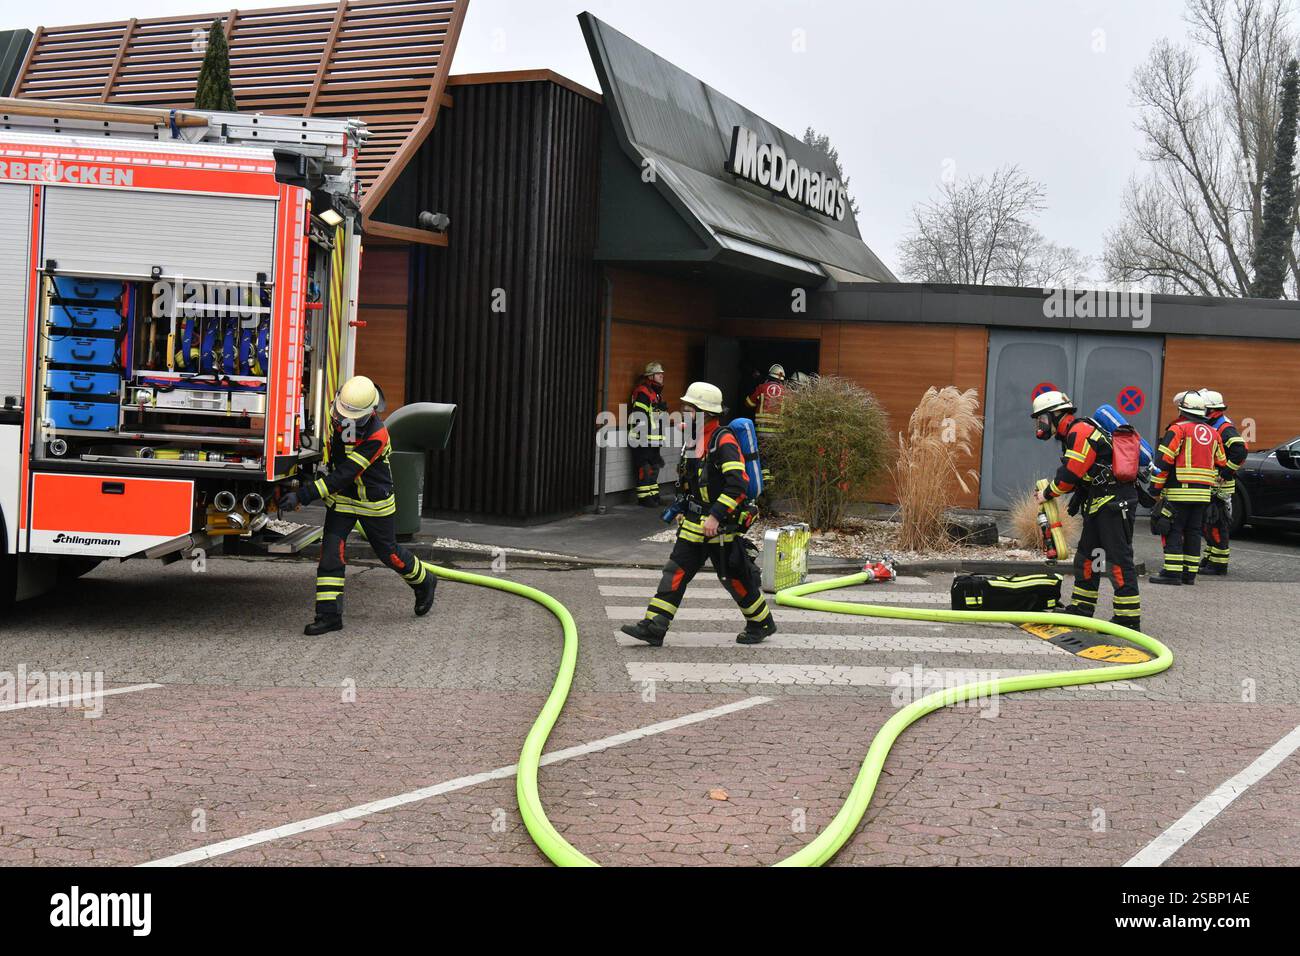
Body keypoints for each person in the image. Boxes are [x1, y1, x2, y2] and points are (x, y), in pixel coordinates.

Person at [621, 381, 776, 646]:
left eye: (689, 409)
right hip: (695, 524)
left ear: (705, 413)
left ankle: (761, 622)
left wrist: (715, 516)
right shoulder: (696, 439)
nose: (684, 413)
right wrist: (683, 508)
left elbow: (737, 484)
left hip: (720, 527)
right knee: (675, 571)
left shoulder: (723, 440)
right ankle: (655, 626)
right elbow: (692, 480)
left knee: (734, 577)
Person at [279, 375, 437, 634]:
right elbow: (335, 459)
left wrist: (304, 495)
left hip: (373, 503)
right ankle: (329, 616)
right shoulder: (339, 412)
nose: (342, 419)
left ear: (370, 410)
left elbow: (347, 472)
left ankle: (425, 581)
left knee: (390, 554)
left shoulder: (377, 435)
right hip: (342, 500)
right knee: (331, 554)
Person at [1031, 389, 1141, 631]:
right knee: (1086, 558)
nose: (1041, 425)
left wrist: (1047, 493)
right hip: (1100, 503)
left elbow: (1071, 473)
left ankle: (1128, 617)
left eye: (1042, 418)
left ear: (1056, 415)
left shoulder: (1080, 431)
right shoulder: (1071, 434)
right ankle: (1082, 608)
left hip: (1114, 502)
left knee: (1118, 560)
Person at [1149, 390, 1228, 586]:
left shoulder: (1177, 430)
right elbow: (1222, 462)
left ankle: (1172, 573)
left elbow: (1163, 462)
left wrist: (1154, 489)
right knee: (1193, 532)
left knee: (1173, 529)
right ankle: (1189, 574)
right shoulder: (1213, 433)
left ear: (1181, 410)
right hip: (1203, 494)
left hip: (1179, 492)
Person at [1199, 389, 1248, 575]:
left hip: (1221, 487)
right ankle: (1210, 557)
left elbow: (1240, 450)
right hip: (1213, 486)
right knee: (1209, 524)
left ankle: (1219, 564)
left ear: (1211, 410)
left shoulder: (1224, 427)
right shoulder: (1215, 424)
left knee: (1218, 524)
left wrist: (1226, 472)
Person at [628, 361, 668, 506]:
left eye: (662, 374)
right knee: (645, 468)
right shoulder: (643, 392)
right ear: (650, 376)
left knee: (654, 467)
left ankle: (654, 495)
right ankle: (644, 498)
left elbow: (655, 417)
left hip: (653, 439)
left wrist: (660, 410)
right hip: (643, 438)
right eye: (658, 374)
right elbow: (639, 415)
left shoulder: (656, 394)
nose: (662, 376)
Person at [745, 364, 787, 489]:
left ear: (769, 375)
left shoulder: (762, 387)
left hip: (762, 432)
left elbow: (748, 403)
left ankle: (764, 485)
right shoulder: (787, 392)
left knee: (763, 458)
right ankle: (772, 485)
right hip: (779, 434)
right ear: (781, 379)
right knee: (775, 458)